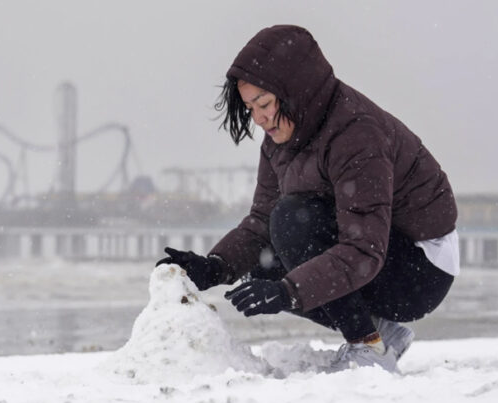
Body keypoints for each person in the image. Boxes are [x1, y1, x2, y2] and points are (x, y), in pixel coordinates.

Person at [157, 25, 459, 373]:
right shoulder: (278, 142)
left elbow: (364, 248)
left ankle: (367, 347)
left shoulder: (356, 133)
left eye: (265, 103)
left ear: (296, 92)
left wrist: (289, 292)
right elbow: (259, 224)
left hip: (421, 269)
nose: (259, 118)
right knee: (263, 261)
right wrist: (215, 266)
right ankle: (382, 333)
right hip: (377, 252)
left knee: (291, 221)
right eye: (250, 107)